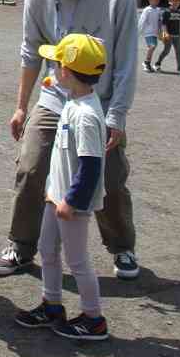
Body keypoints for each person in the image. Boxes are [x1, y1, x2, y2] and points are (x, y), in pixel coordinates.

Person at [0, 0, 141, 281]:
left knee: (110, 176)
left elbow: (126, 62)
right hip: (54, 96)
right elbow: (30, 54)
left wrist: (117, 115)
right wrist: (20, 107)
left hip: (97, 103)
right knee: (31, 167)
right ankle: (20, 246)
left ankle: (122, 247)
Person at [14, 33, 110, 341]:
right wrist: (54, 191)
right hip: (56, 197)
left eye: (55, 65)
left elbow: (91, 164)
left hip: (71, 203)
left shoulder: (85, 115)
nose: (52, 70)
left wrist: (71, 200)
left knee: (78, 260)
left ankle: (94, 318)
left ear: (67, 70)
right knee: (46, 249)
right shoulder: (74, 101)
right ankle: (51, 304)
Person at [155, 0, 180, 74]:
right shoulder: (166, 12)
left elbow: (177, 24)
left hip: (177, 36)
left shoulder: (179, 13)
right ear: (169, 1)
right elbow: (163, 24)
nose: (175, 2)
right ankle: (157, 64)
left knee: (179, 52)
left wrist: (178, 34)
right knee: (166, 51)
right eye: (173, 0)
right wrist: (165, 33)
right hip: (168, 35)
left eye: (178, 0)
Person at [137, 0, 162, 73]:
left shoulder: (158, 10)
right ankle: (146, 63)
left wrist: (160, 32)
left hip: (155, 33)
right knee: (152, 46)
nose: (156, 1)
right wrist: (139, 31)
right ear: (149, 0)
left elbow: (159, 21)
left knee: (153, 47)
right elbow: (142, 20)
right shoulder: (147, 10)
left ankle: (147, 63)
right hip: (148, 32)